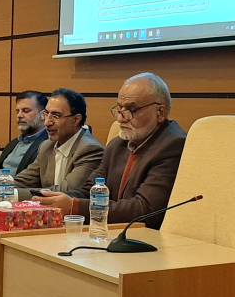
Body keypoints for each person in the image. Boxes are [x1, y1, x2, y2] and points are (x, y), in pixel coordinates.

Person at [39, 73, 186, 229]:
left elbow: (145, 209)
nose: (120, 118)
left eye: (131, 109)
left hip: (146, 237)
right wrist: (53, 201)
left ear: (160, 112)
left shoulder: (173, 145)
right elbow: (89, 191)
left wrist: (75, 207)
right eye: (120, 109)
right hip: (110, 232)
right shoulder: (118, 144)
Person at [0, 88, 103, 201]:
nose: (47, 122)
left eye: (56, 116)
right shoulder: (47, 146)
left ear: (76, 120)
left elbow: (65, 192)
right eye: (46, 114)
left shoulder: (90, 149)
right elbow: (23, 181)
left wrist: (5, 193)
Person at [0, 91, 49, 176]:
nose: (19, 115)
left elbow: (33, 181)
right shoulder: (13, 143)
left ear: (43, 115)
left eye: (26, 111)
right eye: (17, 111)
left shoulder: (48, 145)